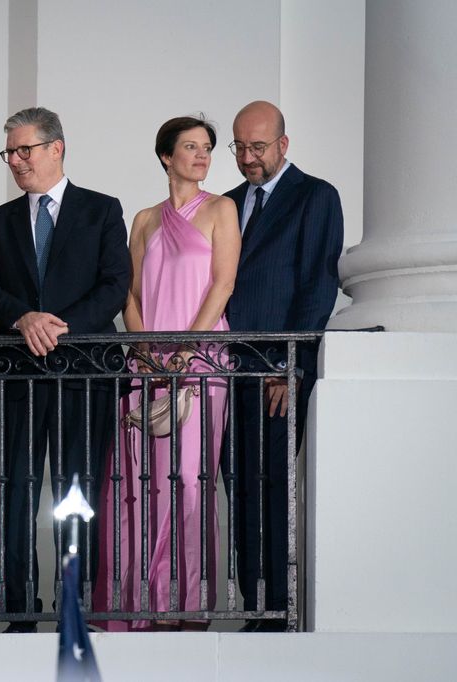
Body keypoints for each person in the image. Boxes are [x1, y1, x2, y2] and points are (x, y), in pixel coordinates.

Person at [0, 107, 131, 633]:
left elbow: (114, 284)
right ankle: (19, 612)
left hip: (84, 373)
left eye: (24, 150)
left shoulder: (102, 209)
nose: (15, 161)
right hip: (17, 376)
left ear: (56, 148)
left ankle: (75, 605)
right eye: (9, 153)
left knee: (77, 492)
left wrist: (58, 327)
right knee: (15, 491)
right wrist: (24, 318)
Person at [93, 116, 240, 631]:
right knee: (138, 483)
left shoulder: (223, 209)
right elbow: (128, 295)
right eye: (191, 147)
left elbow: (222, 286)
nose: (202, 156)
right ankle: (138, 604)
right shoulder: (144, 219)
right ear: (165, 156)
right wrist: (144, 348)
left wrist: (184, 351)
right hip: (147, 363)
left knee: (191, 485)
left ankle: (185, 605)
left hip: (200, 364)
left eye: (207, 148)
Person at [224, 101, 344, 632]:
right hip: (224, 371)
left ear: (283, 145)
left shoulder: (316, 196)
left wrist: (288, 367)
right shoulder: (226, 203)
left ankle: (277, 609)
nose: (248, 158)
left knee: (272, 483)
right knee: (236, 481)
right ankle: (254, 605)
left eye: (258, 148)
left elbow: (318, 287)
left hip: (279, 369)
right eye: (240, 147)